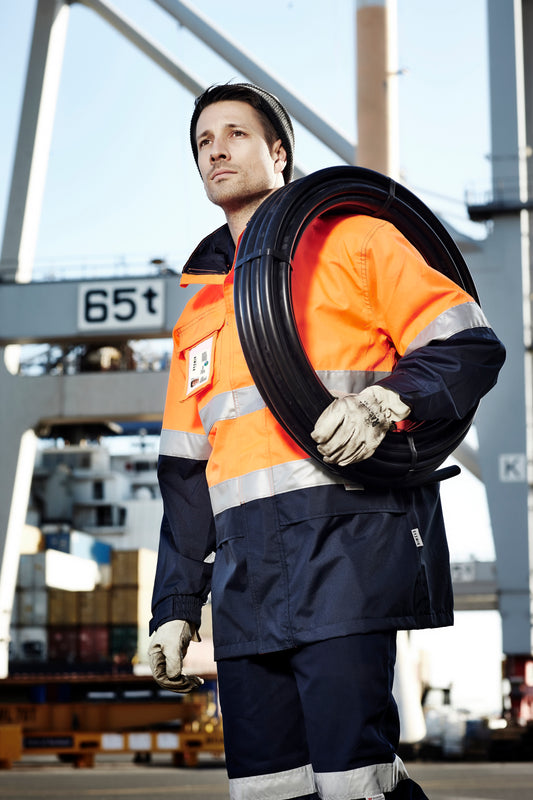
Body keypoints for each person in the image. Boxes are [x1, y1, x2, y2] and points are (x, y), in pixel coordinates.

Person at [148, 82, 505, 800]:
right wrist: (174, 606)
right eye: (203, 141)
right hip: (244, 580)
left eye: (236, 134)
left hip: (345, 550)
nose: (216, 150)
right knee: (266, 789)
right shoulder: (199, 312)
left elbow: (469, 347)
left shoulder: (356, 242)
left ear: (279, 153)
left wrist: (383, 403)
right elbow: (187, 472)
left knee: (353, 783)